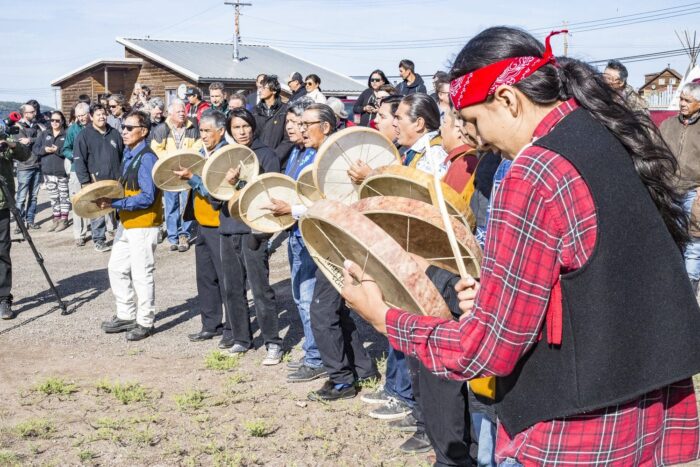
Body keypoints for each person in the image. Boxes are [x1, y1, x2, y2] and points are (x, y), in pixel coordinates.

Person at [342, 27, 700, 466]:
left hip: (574, 429)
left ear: (509, 99)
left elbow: (489, 347)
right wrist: (498, 293)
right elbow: (603, 275)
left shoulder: (534, 171)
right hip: (644, 413)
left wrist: (385, 317)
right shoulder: (607, 135)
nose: (474, 139)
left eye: (472, 121)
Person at [272, 104, 378, 399]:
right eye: (300, 124)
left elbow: (337, 206)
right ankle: (363, 368)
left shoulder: (341, 158)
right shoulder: (310, 154)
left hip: (342, 243)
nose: (302, 129)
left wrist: (292, 209)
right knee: (336, 310)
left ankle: (342, 380)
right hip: (325, 242)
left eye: (308, 124)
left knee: (321, 309)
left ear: (327, 126)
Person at [217, 108, 283, 364]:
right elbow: (215, 194)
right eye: (236, 128)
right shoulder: (226, 155)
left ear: (253, 127)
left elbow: (267, 192)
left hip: (253, 227)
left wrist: (239, 183)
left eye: (245, 126)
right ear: (229, 130)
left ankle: (273, 342)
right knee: (232, 288)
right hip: (228, 226)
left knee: (260, 288)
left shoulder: (266, 154)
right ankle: (242, 339)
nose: (242, 132)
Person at [97, 110, 162, 341]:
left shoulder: (146, 157)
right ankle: (126, 315)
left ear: (143, 131)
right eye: (123, 127)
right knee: (116, 267)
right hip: (128, 222)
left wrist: (116, 202)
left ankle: (145, 321)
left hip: (144, 224)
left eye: (129, 128)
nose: (123, 131)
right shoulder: (130, 153)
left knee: (141, 273)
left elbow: (148, 196)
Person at [174, 110, 229, 343]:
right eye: (201, 131)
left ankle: (233, 329)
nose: (203, 135)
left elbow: (214, 190)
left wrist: (193, 178)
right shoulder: (199, 153)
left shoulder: (226, 155)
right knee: (206, 277)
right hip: (202, 223)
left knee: (226, 278)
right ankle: (210, 324)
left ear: (221, 131)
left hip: (220, 224)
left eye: (208, 131)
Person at [660, 82, 700, 290]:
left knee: (694, 240)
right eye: (681, 99)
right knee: (670, 235)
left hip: (694, 191)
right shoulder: (667, 125)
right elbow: (655, 150)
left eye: (687, 100)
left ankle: (690, 290)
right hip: (668, 189)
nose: (682, 104)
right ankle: (673, 286)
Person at [150, 99, 202, 252]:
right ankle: (173, 236)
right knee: (171, 205)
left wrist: (185, 159)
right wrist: (172, 159)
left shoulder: (192, 127)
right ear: (170, 113)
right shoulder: (161, 129)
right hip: (169, 172)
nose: (182, 113)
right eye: (178, 111)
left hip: (187, 171)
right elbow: (156, 148)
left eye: (183, 111)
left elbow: (198, 146)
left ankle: (184, 235)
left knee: (186, 205)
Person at [73, 103, 124, 252]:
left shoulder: (114, 133)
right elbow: (78, 159)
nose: (102, 117)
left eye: (103, 114)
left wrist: (122, 174)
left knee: (118, 208)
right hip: (95, 181)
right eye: (98, 114)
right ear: (91, 117)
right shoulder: (84, 135)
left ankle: (119, 235)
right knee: (98, 211)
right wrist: (85, 181)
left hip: (115, 179)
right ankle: (99, 239)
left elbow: (122, 155)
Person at [0, 131, 30, 319]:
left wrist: (10, 145)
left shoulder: (4, 140)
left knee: (2, 251)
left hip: (2, 204)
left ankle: (3, 298)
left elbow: (25, 155)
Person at [395, 93, 448, 177]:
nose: (394, 123)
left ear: (419, 124)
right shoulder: (421, 150)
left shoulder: (433, 156)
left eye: (398, 118)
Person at [34, 111, 70, 232]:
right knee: (54, 197)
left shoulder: (67, 134)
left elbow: (70, 150)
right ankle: (56, 218)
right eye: (52, 120)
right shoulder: (44, 134)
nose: (54, 122)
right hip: (48, 171)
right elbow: (35, 149)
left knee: (64, 196)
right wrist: (44, 149)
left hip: (62, 171)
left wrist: (58, 150)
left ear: (62, 121)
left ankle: (64, 219)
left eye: (57, 120)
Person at [63, 103, 91, 246]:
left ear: (88, 113)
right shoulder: (72, 129)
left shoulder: (94, 127)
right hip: (76, 169)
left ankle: (101, 229)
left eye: (83, 115)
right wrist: (76, 156)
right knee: (76, 200)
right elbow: (65, 149)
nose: (80, 118)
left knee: (93, 199)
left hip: (92, 168)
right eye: (78, 116)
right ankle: (79, 234)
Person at [15, 103, 45, 231]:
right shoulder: (18, 127)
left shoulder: (37, 125)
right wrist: (35, 139)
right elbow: (21, 144)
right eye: (32, 112)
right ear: (25, 114)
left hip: (37, 164)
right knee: (21, 197)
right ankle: (20, 224)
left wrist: (31, 140)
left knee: (33, 196)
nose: (35, 113)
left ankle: (30, 220)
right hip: (24, 166)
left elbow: (41, 140)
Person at [253, 75, 293, 166]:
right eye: (260, 87)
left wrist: (274, 157)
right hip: (258, 160)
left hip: (278, 161)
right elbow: (253, 136)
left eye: (264, 88)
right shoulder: (255, 111)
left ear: (274, 90)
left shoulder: (285, 111)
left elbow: (288, 139)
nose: (260, 90)